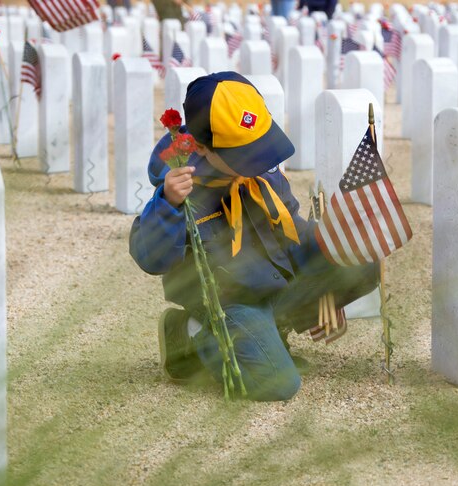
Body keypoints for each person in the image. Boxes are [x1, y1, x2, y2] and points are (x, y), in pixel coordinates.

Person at [129, 72, 379, 401]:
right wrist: (168, 205)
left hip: (272, 278)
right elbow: (151, 257)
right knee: (278, 383)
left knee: (359, 259)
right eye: (247, 154)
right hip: (232, 299)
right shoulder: (185, 188)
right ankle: (192, 334)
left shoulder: (261, 172)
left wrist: (329, 268)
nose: (260, 160)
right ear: (203, 147)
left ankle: (272, 330)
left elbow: (291, 227)